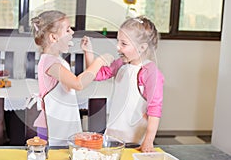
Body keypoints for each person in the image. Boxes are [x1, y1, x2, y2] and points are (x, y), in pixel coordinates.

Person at [31, 10, 113, 146]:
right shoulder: (50, 63)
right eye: (68, 30)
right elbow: (78, 84)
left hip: (62, 123)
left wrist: (88, 53)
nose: (72, 33)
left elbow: (84, 80)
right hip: (51, 128)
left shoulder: (55, 61)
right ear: (54, 38)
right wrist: (100, 61)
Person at [82, 16, 164, 152]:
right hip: (113, 134)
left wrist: (148, 141)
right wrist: (88, 52)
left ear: (142, 47)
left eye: (124, 44)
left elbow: (155, 109)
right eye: (118, 41)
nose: (118, 47)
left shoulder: (150, 72)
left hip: (135, 140)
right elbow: (95, 75)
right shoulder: (121, 63)